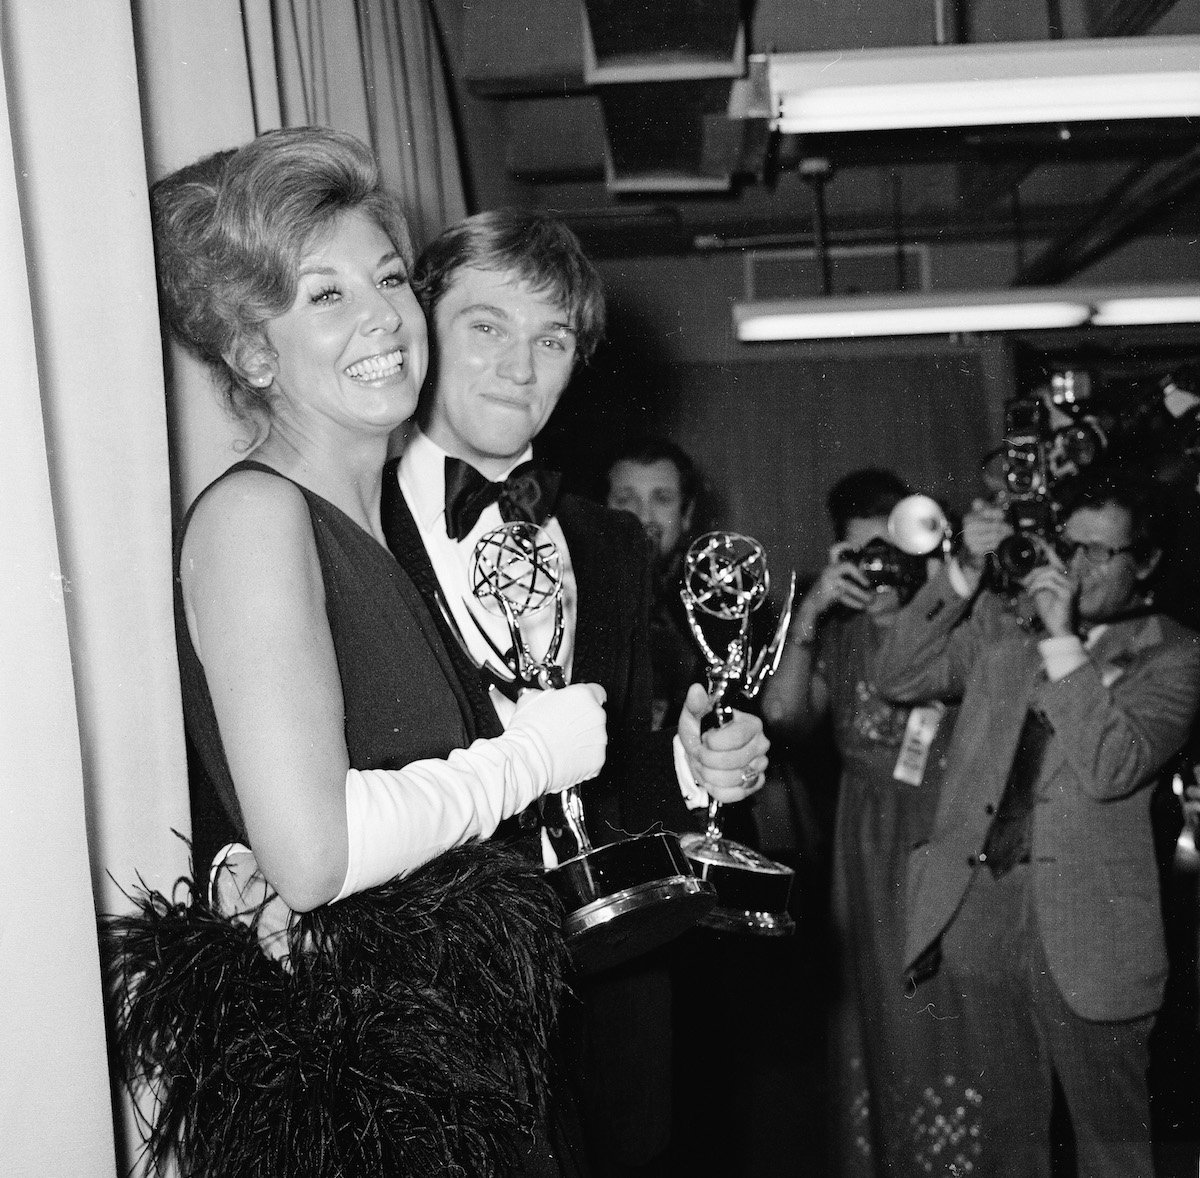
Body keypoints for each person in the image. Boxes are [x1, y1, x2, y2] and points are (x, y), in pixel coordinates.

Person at [107, 128, 610, 1178]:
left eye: (387, 277)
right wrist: (530, 754)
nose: (382, 314)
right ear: (253, 351)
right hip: (373, 1119)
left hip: (458, 1076)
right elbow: (312, 851)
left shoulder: (377, 526)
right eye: (323, 294)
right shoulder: (257, 516)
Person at [383, 208, 770, 1178]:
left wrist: (692, 761)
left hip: (612, 984)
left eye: (551, 338)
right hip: (439, 998)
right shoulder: (355, 517)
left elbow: (625, 766)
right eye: (487, 325)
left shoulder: (609, 541)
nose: (521, 364)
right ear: (425, 323)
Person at [873, 467, 1200, 1176]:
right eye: (1068, 545)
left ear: (1144, 562)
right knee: (1009, 1135)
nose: (1073, 567)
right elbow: (896, 678)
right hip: (984, 910)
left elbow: (1113, 765)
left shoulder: (1175, 652)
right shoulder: (1004, 627)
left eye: (1098, 552)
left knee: (1114, 1143)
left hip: (1095, 927)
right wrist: (962, 572)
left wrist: (1062, 640)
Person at [760, 468, 974, 1176]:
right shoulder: (841, 633)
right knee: (879, 1016)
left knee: (949, 1020)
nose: (881, 569)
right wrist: (813, 610)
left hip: (945, 838)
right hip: (866, 846)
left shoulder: (956, 622)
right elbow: (784, 717)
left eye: (892, 549)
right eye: (861, 555)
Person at [604, 438, 704, 730]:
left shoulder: (712, 601)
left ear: (686, 514)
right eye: (625, 500)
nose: (644, 516)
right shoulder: (575, 594)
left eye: (661, 499)